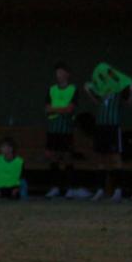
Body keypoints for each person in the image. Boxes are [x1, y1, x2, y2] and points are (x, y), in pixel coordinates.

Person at [86, 62, 132, 202]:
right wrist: (89, 92)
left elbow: (129, 104)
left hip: (113, 127)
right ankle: (100, 190)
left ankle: (118, 190)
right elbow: (98, 103)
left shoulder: (119, 88)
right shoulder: (101, 89)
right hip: (101, 126)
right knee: (101, 158)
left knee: (115, 158)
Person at [43, 62, 79, 198]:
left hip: (66, 129)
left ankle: (69, 188)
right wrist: (60, 110)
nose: (59, 75)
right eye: (57, 72)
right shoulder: (51, 89)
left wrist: (55, 109)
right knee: (53, 157)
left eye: (61, 72)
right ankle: (55, 187)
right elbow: (46, 109)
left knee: (67, 158)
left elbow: (70, 109)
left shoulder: (73, 89)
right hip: (53, 129)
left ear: (67, 74)